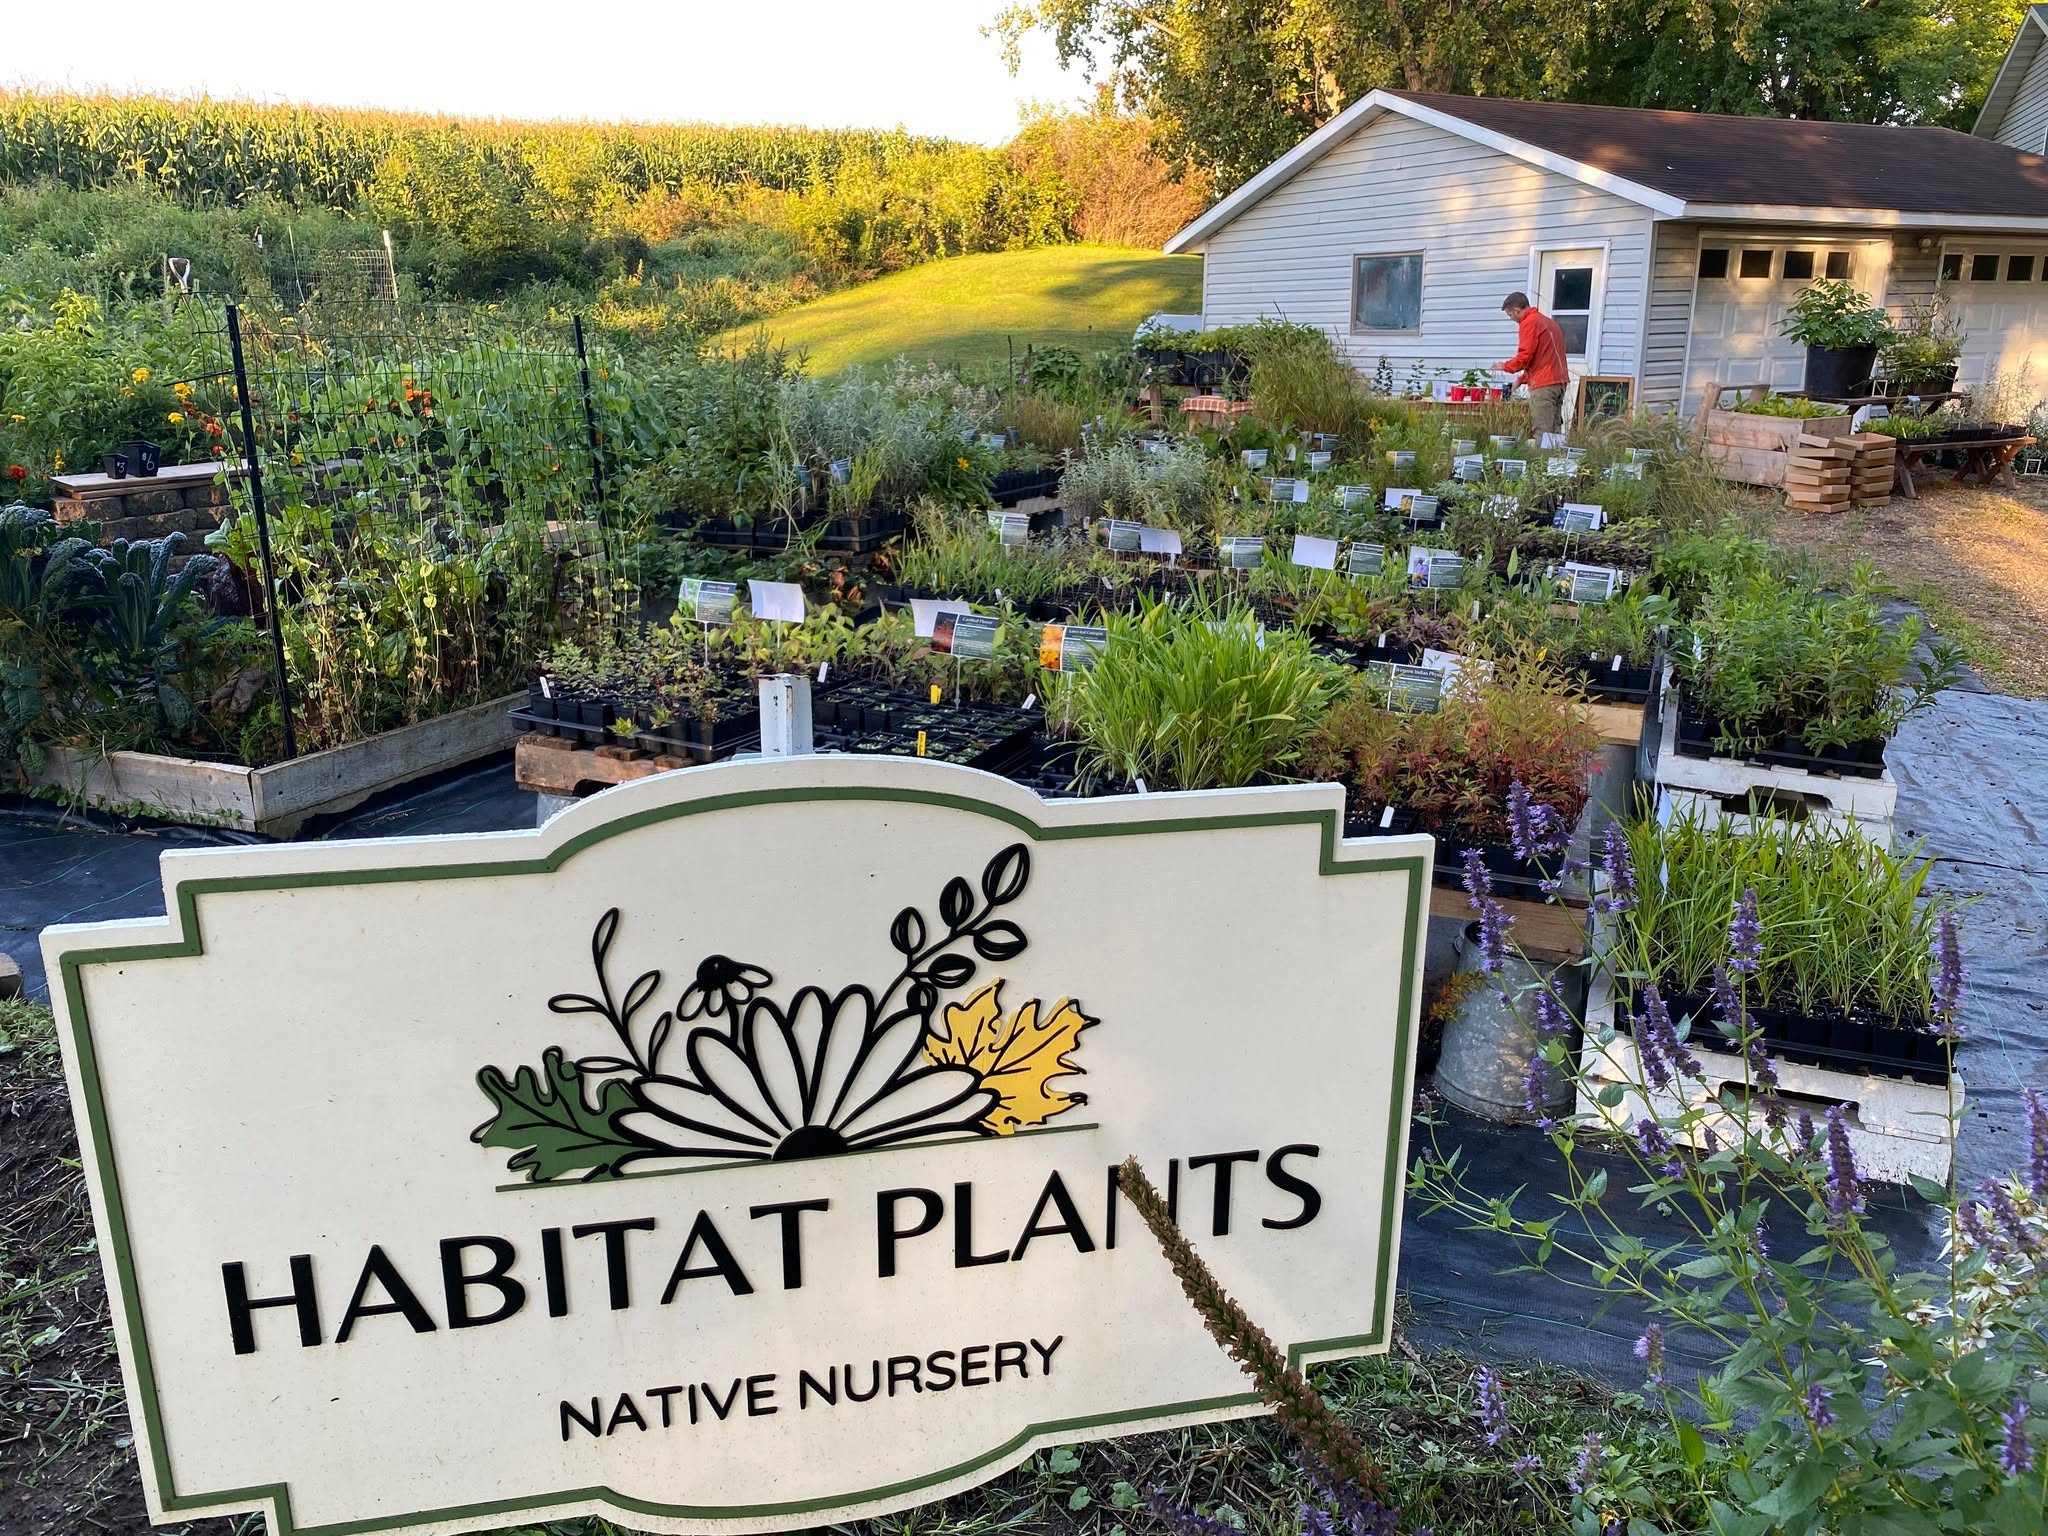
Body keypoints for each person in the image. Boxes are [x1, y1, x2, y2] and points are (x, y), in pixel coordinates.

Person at [1496, 291, 1571, 439]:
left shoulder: (1529, 323)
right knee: (1554, 431)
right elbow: (1542, 358)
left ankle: (1540, 462)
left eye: (1510, 315)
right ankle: (1555, 461)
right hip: (1559, 381)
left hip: (1543, 384)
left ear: (1517, 311)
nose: (1512, 319)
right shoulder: (1548, 322)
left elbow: (1525, 356)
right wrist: (1522, 379)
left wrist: (1505, 366)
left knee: (1542, 431)